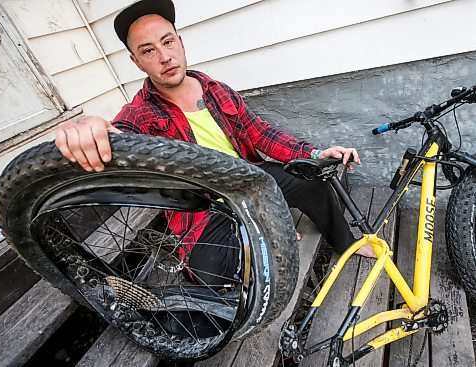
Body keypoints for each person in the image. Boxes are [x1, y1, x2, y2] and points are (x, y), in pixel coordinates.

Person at [55, 0, 375, 286]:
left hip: (252, 179)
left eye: (167, 42)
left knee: (314, 183)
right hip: (205, 208)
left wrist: (315, 153)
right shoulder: (140, 114)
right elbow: (120, 133)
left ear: (179, 42)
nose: (165, 56)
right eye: (148, 50)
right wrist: (91, 125)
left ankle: (345, 241)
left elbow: (260, 133)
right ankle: (263, 231)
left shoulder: (216, 89)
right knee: (211, 274)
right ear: (137, 61)